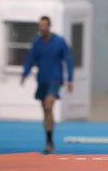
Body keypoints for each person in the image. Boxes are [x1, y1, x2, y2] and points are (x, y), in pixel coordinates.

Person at [21, 16, 74, 154]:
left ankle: (50, 141)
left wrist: (70, 79)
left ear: (49, 26)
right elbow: (30, 59)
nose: (42, 28)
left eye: (44, 25)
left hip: (55, 79)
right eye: (40, 25)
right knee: (45, 111)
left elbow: (68, 59)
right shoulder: (38, 43)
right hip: (42, 79)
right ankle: (49, 139)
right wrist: (25, 74)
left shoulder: (59, 42)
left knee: (48, 104)